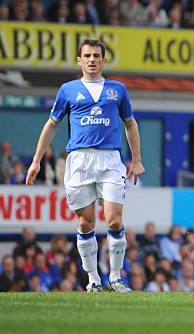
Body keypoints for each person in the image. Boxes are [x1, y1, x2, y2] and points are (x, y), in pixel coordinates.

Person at [26, 39, 145, 293]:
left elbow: (130, 123)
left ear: (104, 60)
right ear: (79, 60)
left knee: (114, 220)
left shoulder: (118, 89)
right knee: (85, 224)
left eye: (97, 55)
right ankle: (93, 280)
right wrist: (36, 161)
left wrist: (136, 160)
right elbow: (52, 125)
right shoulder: (68, 90)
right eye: (87, 55)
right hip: (79, 160)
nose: (92, 59)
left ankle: (115, 277)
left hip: (111, 159)